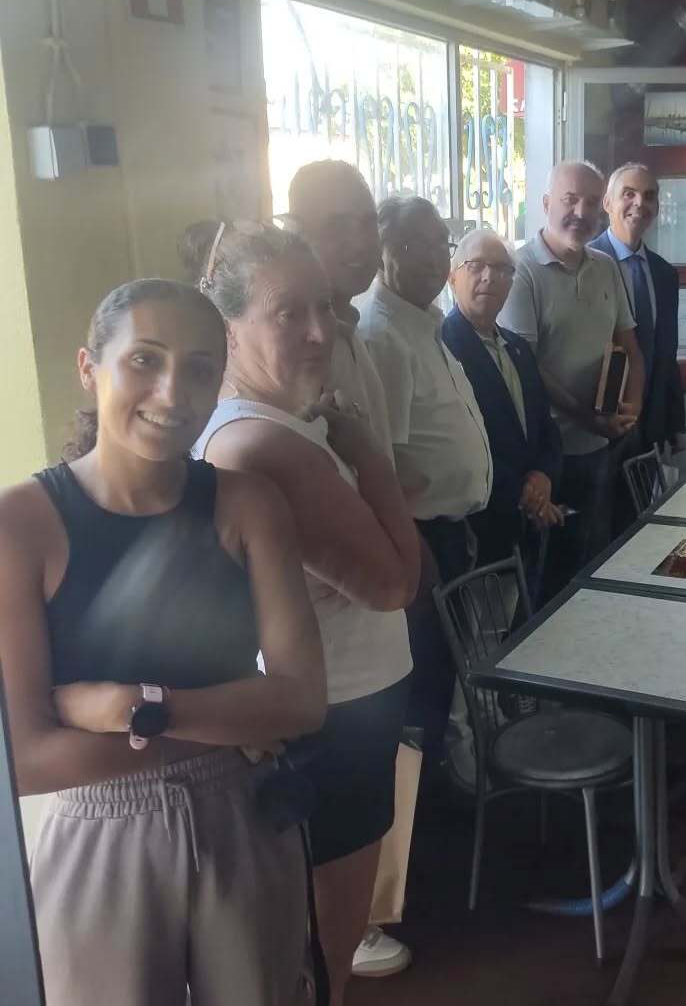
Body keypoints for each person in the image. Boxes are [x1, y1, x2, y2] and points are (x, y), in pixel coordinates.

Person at [0, 277, 327, 1006]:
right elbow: (24, 759)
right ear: (89, 368)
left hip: (245, 817)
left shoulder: (248, 505)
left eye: (201, 369)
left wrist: (130, 707)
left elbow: (304, 700)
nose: (173, 392)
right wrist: (230, 722)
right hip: (99, 823)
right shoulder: (21, 524)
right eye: (144, 360)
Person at [181, 221, 420, 1006]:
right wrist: (370, 452)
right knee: (323, 951)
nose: (321, 331)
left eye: (324, 306)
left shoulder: (270, 424)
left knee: (314, 948)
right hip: (334, 723)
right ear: (228, 328)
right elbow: (394, 583)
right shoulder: (265, 445)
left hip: (337, 713)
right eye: (289, 313)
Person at [287, 160, 414, 976]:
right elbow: (379, 555)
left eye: (367, 220)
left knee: (363, 832)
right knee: (323, 878)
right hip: (327, 671)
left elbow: (382, 473)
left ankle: (362, 930)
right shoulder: (295, 359)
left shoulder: (356, 332)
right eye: (337, 224)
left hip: (375, 653)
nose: (360, 239)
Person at [355, 196, 493, 765]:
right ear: (382, 250)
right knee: (428, 683)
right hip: (420, 540)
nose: (434, 256)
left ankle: (446, 778)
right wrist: (415, 550)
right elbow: (378, 465)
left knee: (449, 670)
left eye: (441, 242)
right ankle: (429, 803)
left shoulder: (423, 323)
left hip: (451, 532)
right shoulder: (382, 335)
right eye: (415, 243)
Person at [501, 161, 645, 599]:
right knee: (541, 578)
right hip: (544, 457)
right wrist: (588, 417)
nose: (580, 212)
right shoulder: (519, 269)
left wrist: (632, 408)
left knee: (590, 566)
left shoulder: (606, 266)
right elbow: (525, 366)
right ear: (546, 203)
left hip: (599, 447)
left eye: (590, 203)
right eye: (569, 200)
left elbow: (629, 346)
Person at [442, 228, 563, 598]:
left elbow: (545, 426)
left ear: (511, 283)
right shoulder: (443, 347)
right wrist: (525, 495)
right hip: (481, 530)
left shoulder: (518, 348)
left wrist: (543, 476)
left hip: (528, 525)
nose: (489, 277)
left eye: (501, 269)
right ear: (452, 277)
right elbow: (459, 445)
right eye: (476, 266)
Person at [590, 162, 686, 455]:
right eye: (628, 194)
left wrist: (675, 424)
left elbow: (667, 354)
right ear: (607, 204)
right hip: (596, 425)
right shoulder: (585, 264)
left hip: (650, 426)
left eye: (649, 196)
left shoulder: (665, 274)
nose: (639, 203)